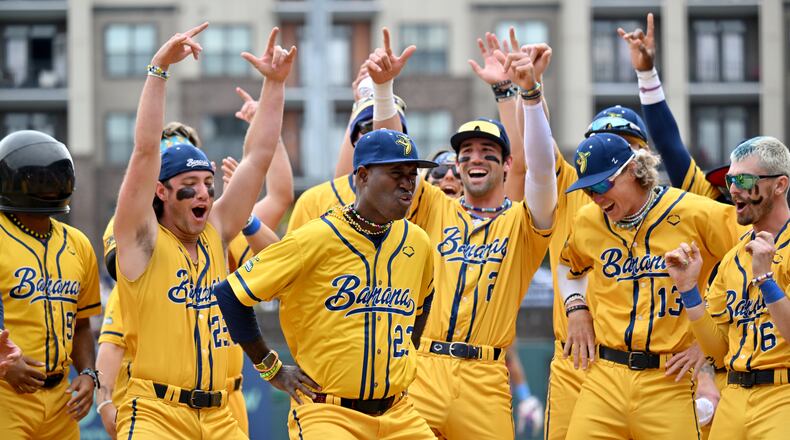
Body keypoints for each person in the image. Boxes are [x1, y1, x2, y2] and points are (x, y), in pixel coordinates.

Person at [369, 28, 557, 439]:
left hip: (486, 377)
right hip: (422, 367)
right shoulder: (435, 206)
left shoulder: (523, 223)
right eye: (466, 153)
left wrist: (528, 93)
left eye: (489, 154)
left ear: (506, 166)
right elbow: (391, 158)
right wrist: (384, 92)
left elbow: (540, 169)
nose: (476, 159)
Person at [112, 23, 291, 438]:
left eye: (209, 185)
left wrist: (275, 85)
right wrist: (158, 70)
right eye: (189, 187)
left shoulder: (215, 230)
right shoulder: (141, 238)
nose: (204, 195)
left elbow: (259, 155)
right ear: (162, 190)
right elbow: (144, 152)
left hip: (219, 416)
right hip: (156, 411)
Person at [215, 128, 438, 439]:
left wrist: (407, 352)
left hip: (399, 414)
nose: (407, 183)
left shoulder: (417, 241)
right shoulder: (314, 238)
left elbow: (424, 298)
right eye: (396, 172)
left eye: (412, 175)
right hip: (328, 412)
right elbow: (230, 294)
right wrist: (271, 368)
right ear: (362, 176)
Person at [558, 133, 741, 439]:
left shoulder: (697, 212)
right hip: (605, 377)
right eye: (588, 190)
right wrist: (576, 307)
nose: (597, 197)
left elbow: (753, 259)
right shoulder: (588, 220)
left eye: (603, 185)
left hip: (670, 378)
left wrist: (713, 334)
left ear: (634, 170)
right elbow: (568, 264)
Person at [666, 136, 790, 440]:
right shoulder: (732, 259)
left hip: (782, 393)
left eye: (745, 179)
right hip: (734, 395)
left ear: (779, 184)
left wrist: (765, 280)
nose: (733, 188)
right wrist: (689, 291)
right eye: (731, 179)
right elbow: (718, 351)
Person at [0, 130, 101, 439]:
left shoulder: (78, 244)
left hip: (60, 402)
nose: (47, 186)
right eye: (35, 179)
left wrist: (87, 373)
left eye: (53, 178)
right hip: (6, 395)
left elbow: (82, 325)